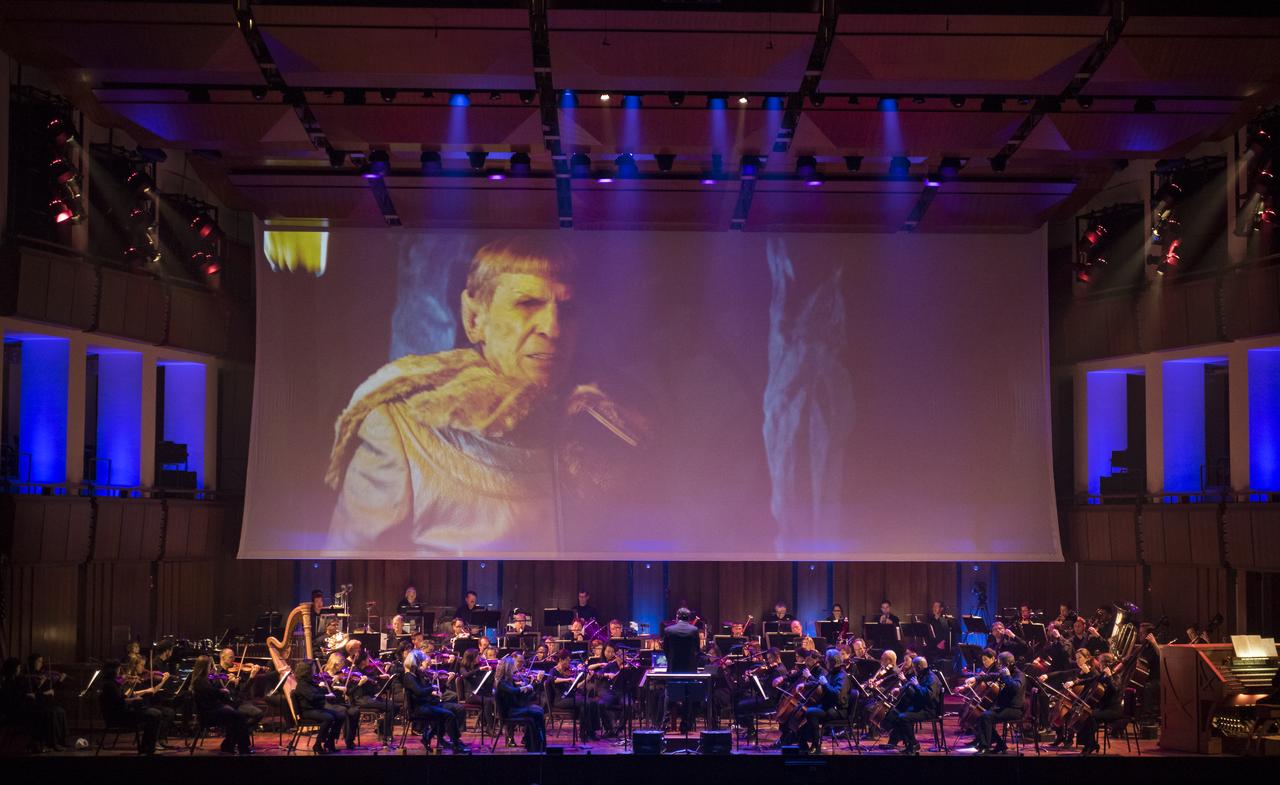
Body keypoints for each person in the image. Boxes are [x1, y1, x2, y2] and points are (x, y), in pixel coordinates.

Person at [326, 236, 646, 552]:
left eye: (567, 309)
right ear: (474, 318)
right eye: (527, 304)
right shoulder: (404, 431)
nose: (553, 328)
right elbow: (349, 571)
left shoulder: (607, 428)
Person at [402, 648, 468, 753]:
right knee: (448, 715)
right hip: (418, 709)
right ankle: (455, 744)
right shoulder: (409, 677)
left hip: (427, 704)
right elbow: (419, 692)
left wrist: (440, 683)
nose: (423, 665)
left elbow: (425, 690)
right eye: (421, 662)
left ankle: (434, 737)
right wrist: (432, 687)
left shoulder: (416, 675)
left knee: (452, 711)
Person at [100, 659, 165, 755]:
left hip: (123, 712)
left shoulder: (112, 683)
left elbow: (122, 698)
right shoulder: (110, 685)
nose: (119, 672)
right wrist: (134, 699)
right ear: (113, 671)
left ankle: (147, 747)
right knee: (154, 715)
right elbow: (120, 702)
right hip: (119, 716)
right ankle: (148, 748)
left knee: (155, 713)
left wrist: (131, 693)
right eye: (118, 669)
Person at [191, 655, 253, 754]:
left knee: (235, 717)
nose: (212, 669)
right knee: (239, 717)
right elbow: (212, 693)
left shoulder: (202, 679)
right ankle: (243, 748)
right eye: (210, 666)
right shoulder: (200, 681)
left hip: (212, 710)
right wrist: (222, 691)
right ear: (204, 667)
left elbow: (213, 684)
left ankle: (229, 745)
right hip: (208, 715)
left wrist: (225, 680)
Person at [969, 652, 1025, 755]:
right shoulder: (1004, 672)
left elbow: (1016, 688)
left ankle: (985, 748)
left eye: (1000, 664)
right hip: (1004, 707)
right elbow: (991, 675)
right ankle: (1000, 744)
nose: (998, 666)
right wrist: (975, 678)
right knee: (981, 716)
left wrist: (1007, 676)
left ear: (1007, 664)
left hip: (1014, 709)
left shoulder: (1019, 675)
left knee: (985, 716)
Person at [883, 656, 940, 755]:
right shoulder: (922, 674)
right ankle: (906, 743)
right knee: (895, 714)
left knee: (903, 718)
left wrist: (917, 685)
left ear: (919, 667)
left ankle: (913, 744)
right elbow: (911, 686)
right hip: (920, 706)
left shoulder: (931, 678)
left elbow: (929, 696)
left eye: (914, 667)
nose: (913, 669)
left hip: (928, 710)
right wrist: (901, 689)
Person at [1075, 653, 1125, 755]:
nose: (1099, 665)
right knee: (1084, 715)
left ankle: (1091, 745)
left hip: (1113, 710)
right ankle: (1089, 744)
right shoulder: (1103, 675)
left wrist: (1110, 676)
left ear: (1105, 664)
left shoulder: (1116, 676)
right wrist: (1075, 682)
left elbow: (1115, 689)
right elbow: (1091, 680)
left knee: (1090, 717)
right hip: (1103, 708)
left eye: (1100, 662)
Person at [494, 654, 546, 752]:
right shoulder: (502, 682)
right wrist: (525, 687)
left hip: (514, 709)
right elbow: (514, 691)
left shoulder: (509, 681)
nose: (514, 668)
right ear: (507, 668)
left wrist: (534, 684)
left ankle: (536, 745)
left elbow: (520, 695)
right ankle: (536, 745)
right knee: (537, 713)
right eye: (512, 666)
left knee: (539, 712)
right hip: (509, 713)